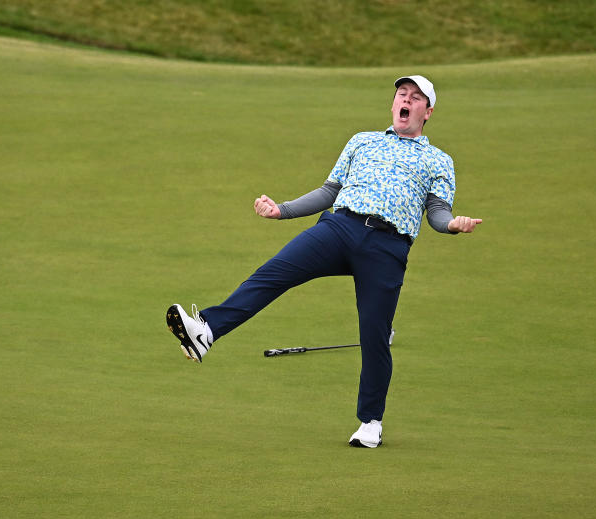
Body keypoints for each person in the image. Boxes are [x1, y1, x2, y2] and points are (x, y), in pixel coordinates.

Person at [166, 75, 482, 448]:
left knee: (374, 335)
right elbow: (330, 190)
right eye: (402, 94)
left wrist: (452, 226)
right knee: (274, 273)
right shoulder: (362, 141)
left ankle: (370, 422)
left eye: (415, 98)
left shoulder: (438, 160)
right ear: (394, 103)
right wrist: (280, 211)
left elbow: (437, 212)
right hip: (340, 227)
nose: (406, 101)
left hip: (387, 247)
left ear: (427, 112)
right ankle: (207, 331)